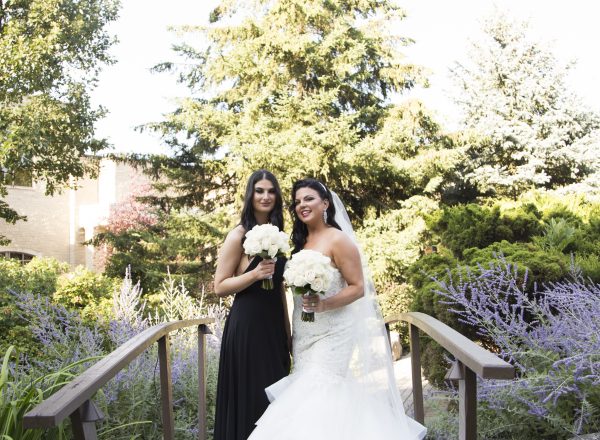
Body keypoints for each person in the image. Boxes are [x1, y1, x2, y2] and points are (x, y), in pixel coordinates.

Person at [248, 178, 426, 440]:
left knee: (319, 390)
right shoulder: (300, 241)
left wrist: (324, 304)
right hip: (305, 332)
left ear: (325, 204)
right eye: (297, 201)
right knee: (311, 395)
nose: (302, 205)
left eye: (309, 199)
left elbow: (358, 287)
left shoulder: (338, 239)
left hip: (334, 331)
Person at [213, 170, 292, 440]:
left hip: (273, 329)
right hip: (247, 329)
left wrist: (287, 334)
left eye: (271, 191)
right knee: (252, 397)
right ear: (250, 194)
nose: (265, 196)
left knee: (275, 397)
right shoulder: (238, 235)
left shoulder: (279, 236)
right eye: (259, 191)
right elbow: (219, 286)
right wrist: (255, 274)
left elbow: (279, 290)